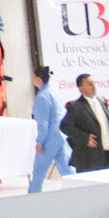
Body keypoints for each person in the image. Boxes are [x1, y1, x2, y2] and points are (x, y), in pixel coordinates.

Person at [63, 74, 109, 171]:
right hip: (88, 158)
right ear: (80, 88)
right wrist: (84, 137)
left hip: (106, 155)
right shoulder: (75, 106)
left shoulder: (102, 101)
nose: (93, 86)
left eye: (94, 83)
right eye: (89, 84)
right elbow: (65, 126)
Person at [28, 65, 69, 193]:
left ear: (39, 79)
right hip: (61, 135)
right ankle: (78, 189)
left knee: (39, 170)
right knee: (67, 169)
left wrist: (39, 142)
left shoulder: (42, 97)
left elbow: (43, 123)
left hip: (49, 138)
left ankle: (33, 196)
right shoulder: (54, 92)